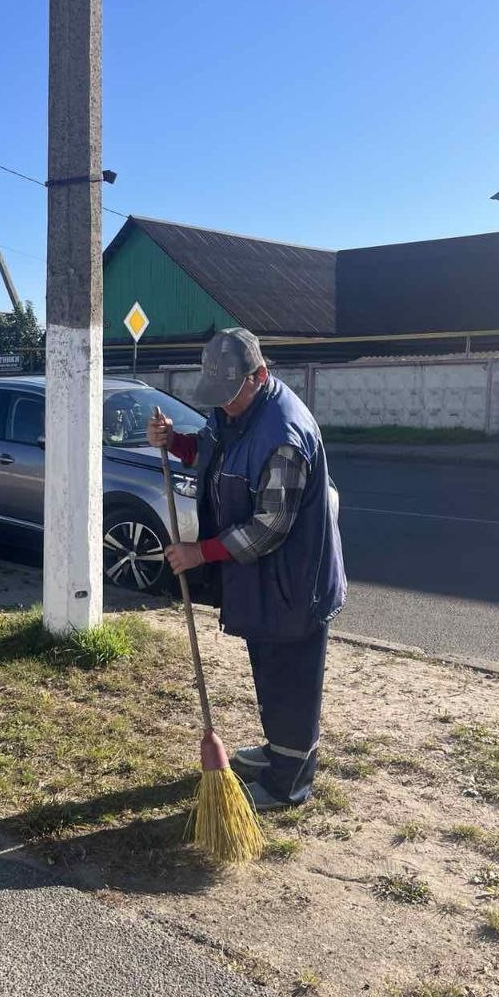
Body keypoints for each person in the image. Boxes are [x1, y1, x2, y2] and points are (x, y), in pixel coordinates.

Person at [147, 328, 346, 811]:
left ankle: (288, 783)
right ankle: (279, 751)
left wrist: (201, 553)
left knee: (292, 683)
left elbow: (270, 526)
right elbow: (214, 454)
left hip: (294, 582)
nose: (224, 404)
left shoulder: (283, 436)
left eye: (231, 393)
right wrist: (175, 442)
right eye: (217, 394)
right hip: (261, 579)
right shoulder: (233, 412)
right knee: (269, 674)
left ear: (259, 375)